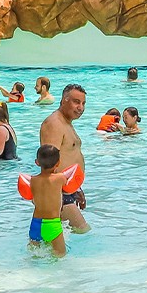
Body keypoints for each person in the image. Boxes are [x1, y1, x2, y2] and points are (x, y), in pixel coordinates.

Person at [41, 84, 89, 233]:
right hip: (59, 193)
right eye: (76, 102)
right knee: (83, 231)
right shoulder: (54, 124)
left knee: (56, 241)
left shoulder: (66, 123)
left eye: (83, 103)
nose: (80, 107)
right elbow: (48, 164)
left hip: (67, 190)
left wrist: (77, 188)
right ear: (64, 101)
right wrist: (56, 198)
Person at [24, 144, 69, 257]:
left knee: (33, 256)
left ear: (37, 162)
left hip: (35, 224)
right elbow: (67, 185)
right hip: (52, 224)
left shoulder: (33, 181)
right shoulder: (60, 178)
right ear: (58, 163)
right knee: (60, 256)